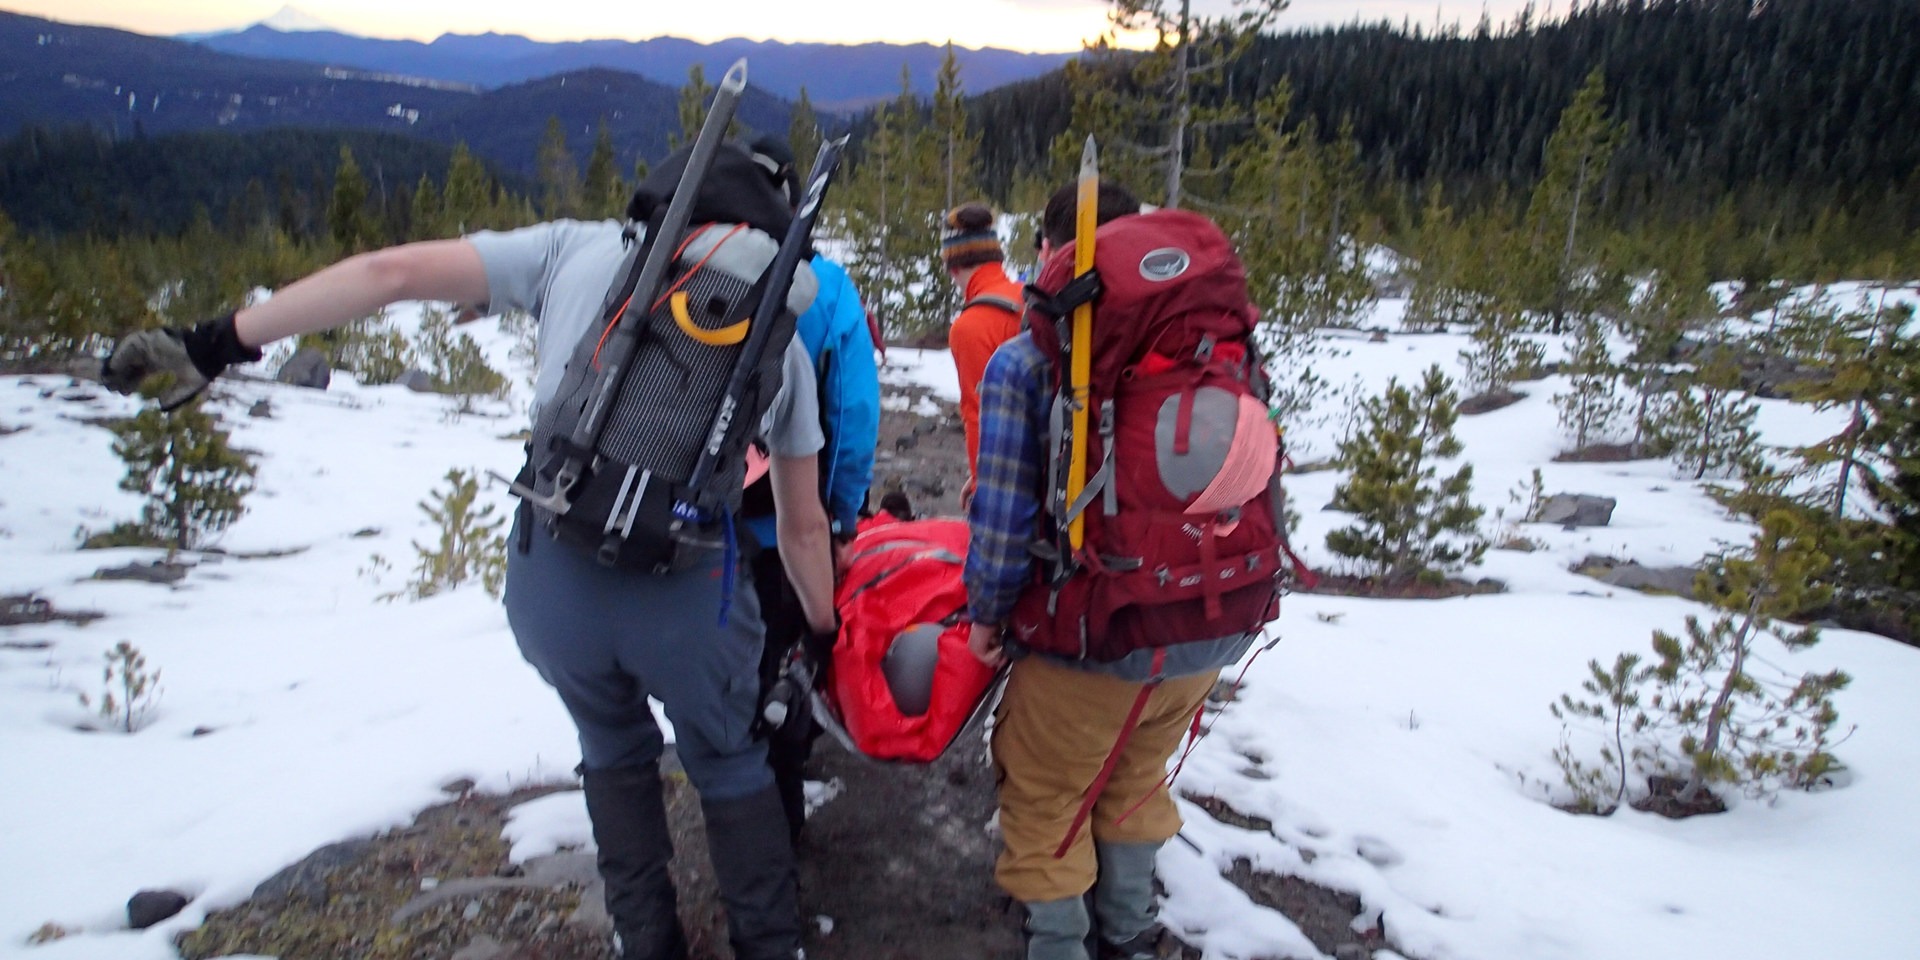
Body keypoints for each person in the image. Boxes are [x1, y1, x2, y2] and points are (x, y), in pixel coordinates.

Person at [99, 142, 836, 960]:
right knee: (728, 758)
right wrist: (822, 625)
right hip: (687, 596)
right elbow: (802, 528)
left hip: (552, 584)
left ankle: (646, 939)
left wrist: (216, 342)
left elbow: (389, 274)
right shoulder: (777, 336)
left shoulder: (573, 249)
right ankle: (771, 946)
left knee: (611, 747)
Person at [964, 181, 1255, 960]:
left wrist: (985, 619)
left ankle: (1059, 945)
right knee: (1134, 777)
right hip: (1205, 625)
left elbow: (1000, 521)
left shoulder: (1027, 362)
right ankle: (1127, 932)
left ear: (1049, 255)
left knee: (1046, 794)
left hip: (1094, 633)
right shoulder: (1211, 350)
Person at [740, 135, 881, 844]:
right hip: (788, 529)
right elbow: (854, 415)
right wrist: (844, 515)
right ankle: (778, 838)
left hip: (689, 531)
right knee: (782, 668)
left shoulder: (676, 275)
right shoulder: (824, 289)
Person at [941, 202, 1024, 499]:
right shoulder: (1028, 298)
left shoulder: (969, 327)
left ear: (954, 267)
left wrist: (980, 483)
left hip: (1008, 482)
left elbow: (977, 416)